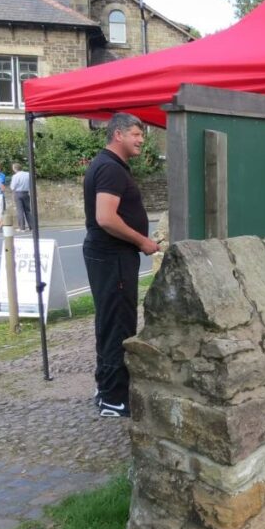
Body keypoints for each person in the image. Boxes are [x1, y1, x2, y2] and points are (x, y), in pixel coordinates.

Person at [83, 113, 160, 418]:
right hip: (112, 256)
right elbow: (105, 218)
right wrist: (142, 241)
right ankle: (114, 398)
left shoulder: (107, 166)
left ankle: (106, 387)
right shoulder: (111, 169)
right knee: (118, 325)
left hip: (111, 256)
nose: (141, 140)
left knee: (110, 321)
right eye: (135, 134)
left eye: (141, 134)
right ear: (117, 135)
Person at [9, 163, 32, 232]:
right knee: (27, 210)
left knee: (20, 211)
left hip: (18, 193)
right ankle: (31, 226)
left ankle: (22, 227)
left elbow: (12, 187)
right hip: (26, 193)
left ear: (15, 168)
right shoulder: (28, 174)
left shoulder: (15, 176)